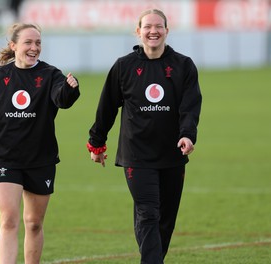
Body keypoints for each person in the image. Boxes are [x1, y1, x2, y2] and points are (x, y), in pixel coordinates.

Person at [0, 23, 80, 264]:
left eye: (38, 43)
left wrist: (69, 89)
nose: (34, 48)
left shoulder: (51, 74)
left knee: (33, 223)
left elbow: (61, 99)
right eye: (28, 43)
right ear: (13, 46)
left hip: (40, 158)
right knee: (9, 219)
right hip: (5, 157)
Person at [87, 9, 202, 263]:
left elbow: (190, 106)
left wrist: (187, 135)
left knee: (165, 220)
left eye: (158, 26)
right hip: (136, 155)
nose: (153, 31)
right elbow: (106, 107)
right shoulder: (124, 66)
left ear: (167, 31)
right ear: (138, 32)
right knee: (148, 213)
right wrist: (96, 143)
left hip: (172, 153)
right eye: (147, 26)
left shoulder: (183, 65)